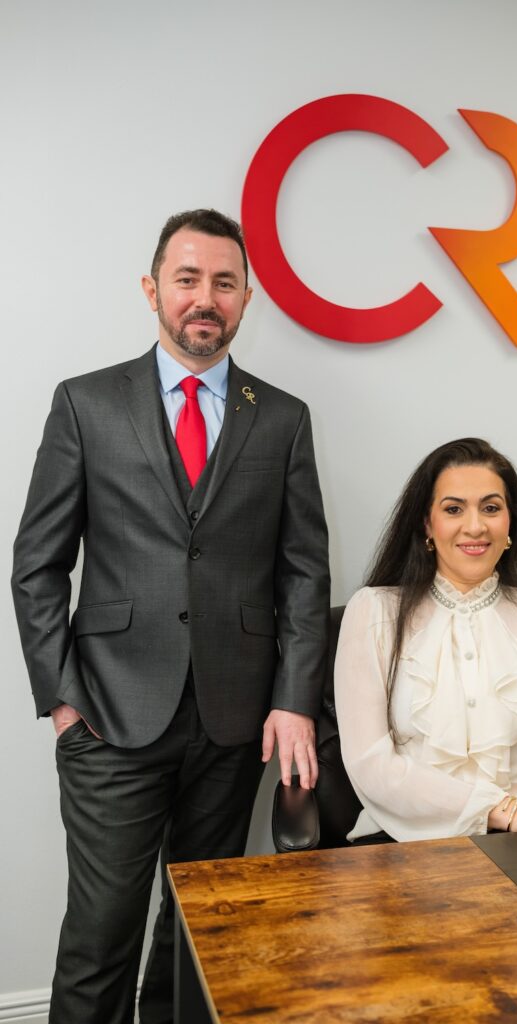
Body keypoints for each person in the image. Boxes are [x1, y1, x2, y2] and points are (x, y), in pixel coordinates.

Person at [11, 209, 330, 1024]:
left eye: (224, 282)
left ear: (247, 297)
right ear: (152, 289)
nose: (205, 298)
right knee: (101, 939)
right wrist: (62, 699)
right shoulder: (85, 403)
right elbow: (37, 564)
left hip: (233, 720)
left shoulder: (282, 417)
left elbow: (302, 572)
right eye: (187, 279)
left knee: (198, 933)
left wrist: (293, 699)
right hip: (109, 715)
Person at [335, 438, 517, 846]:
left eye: (491, 508)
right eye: (453, 509)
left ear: (511, 523)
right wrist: (507, 811)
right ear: (427, 524)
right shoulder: (374, 613)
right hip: (404, 842)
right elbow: (371, 765)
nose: (475, 526)